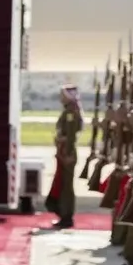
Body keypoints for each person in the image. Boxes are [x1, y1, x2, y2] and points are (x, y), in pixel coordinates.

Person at [44, 85, 83, 230]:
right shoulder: (70, 110)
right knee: (63, 184)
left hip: (67, 153)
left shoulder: (70, 111)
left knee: (66, 187)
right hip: (65, 152)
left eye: (62, 95)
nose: (60, 97)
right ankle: (64, 214)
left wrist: (65, 150)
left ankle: (66, 216)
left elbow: (71, 134)